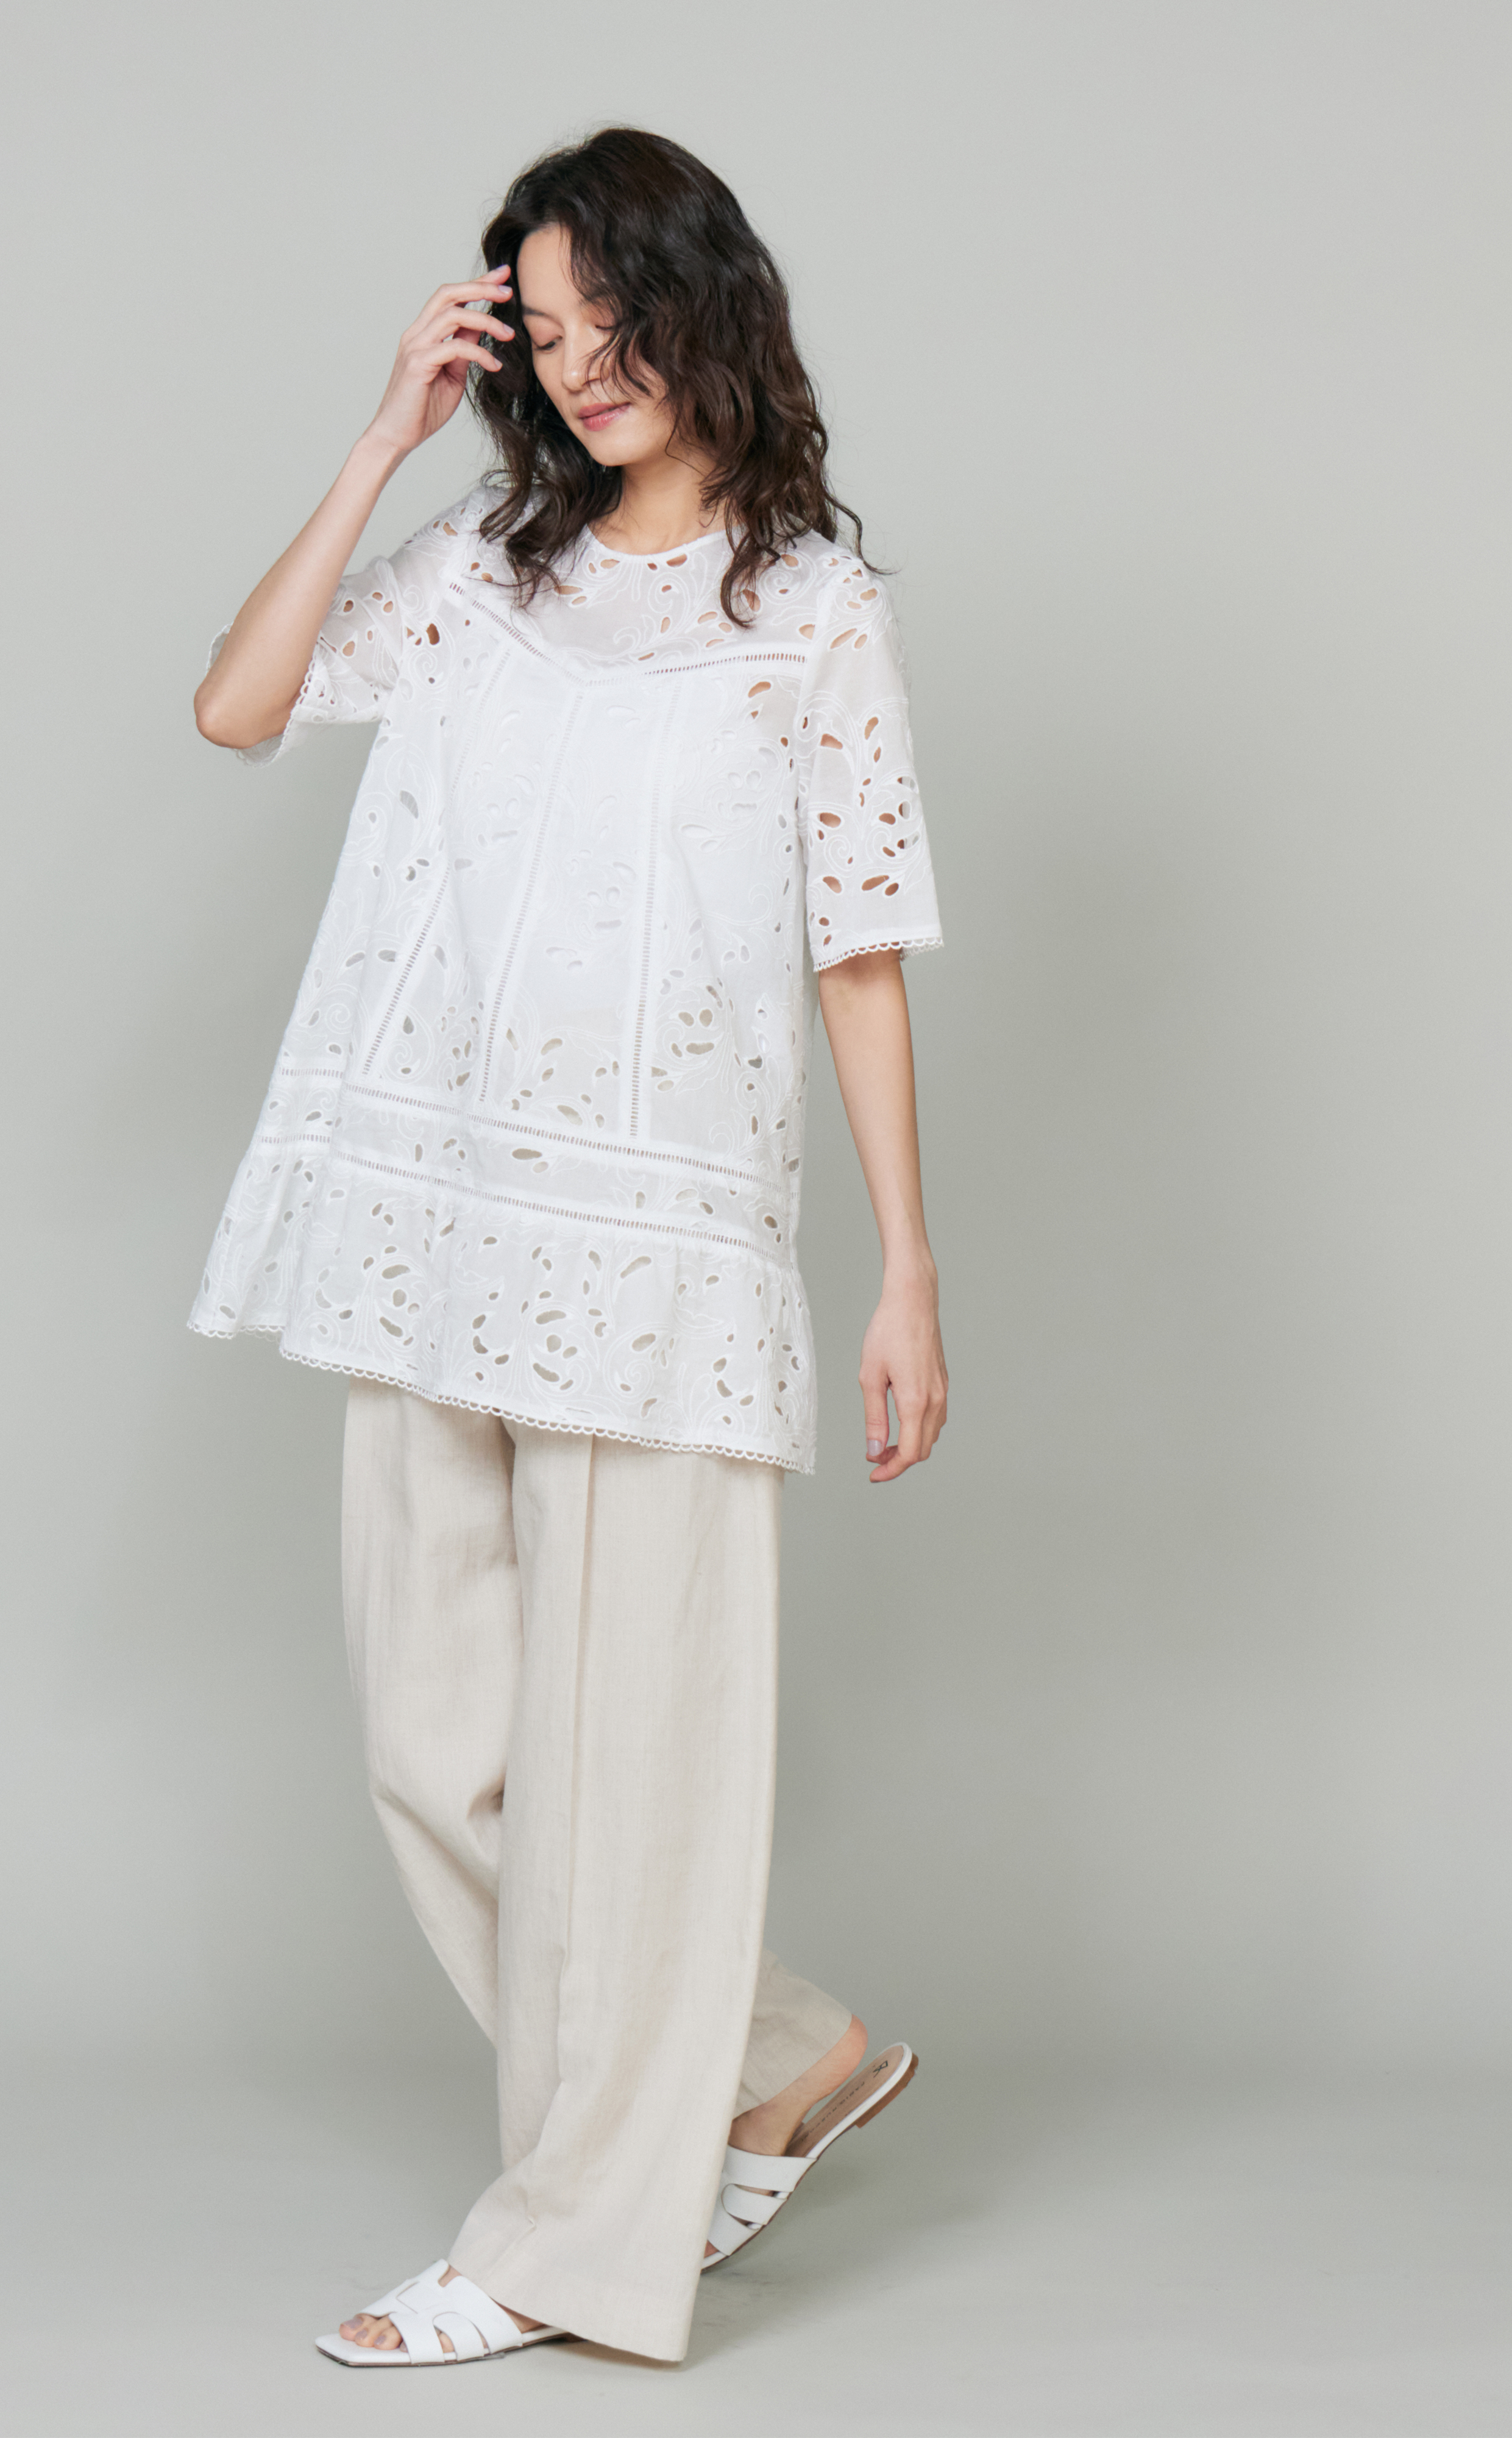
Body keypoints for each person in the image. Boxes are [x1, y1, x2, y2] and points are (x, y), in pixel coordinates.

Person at [192, 127, 948, 2369]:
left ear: (706, 308)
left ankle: (564, 2247)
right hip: (438, 1221)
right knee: (437, 1748)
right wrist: (379, 444)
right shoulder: (477, 569)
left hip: (664, 1246)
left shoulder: (811, 611)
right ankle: (781, 2053)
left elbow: (860, 945)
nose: (586, 365)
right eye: (545, 329)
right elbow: (240, 705)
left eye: (617, 319)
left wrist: (908, 1269)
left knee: (640, 1782)